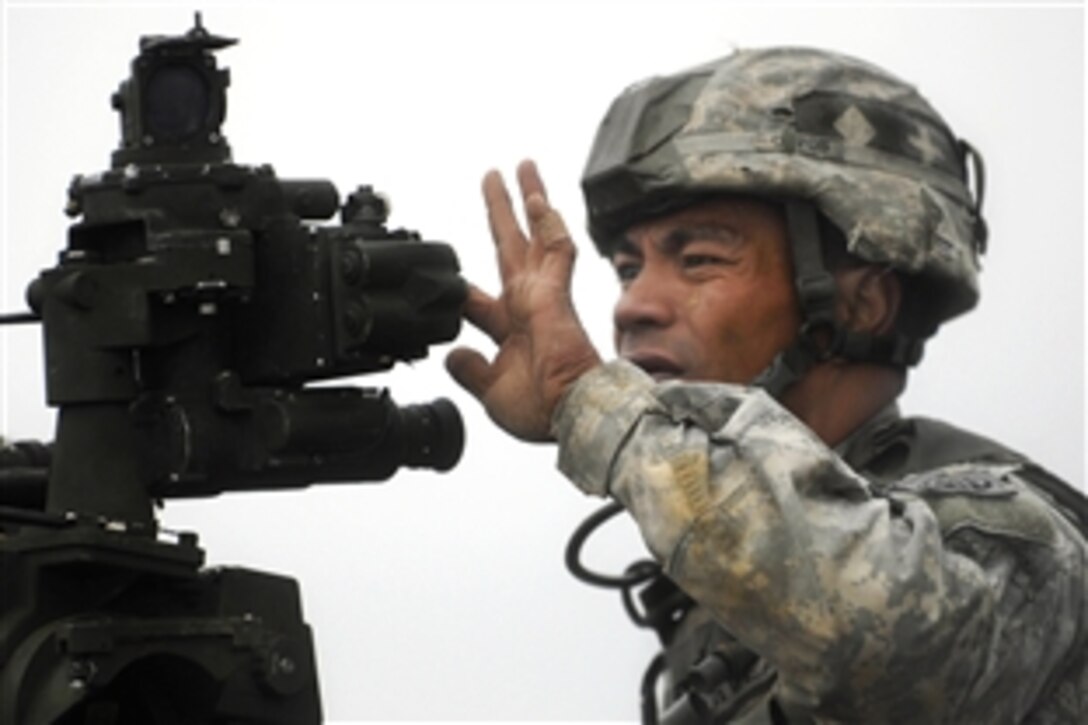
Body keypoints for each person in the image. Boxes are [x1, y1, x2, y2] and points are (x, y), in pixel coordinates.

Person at [445, 46, 1088, 723]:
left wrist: (590, 402)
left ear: (861, 305)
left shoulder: (1014, 540)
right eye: (629, 269)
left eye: (697, 261)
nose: (632, 306)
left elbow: (875, 631)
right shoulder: (726, 616)